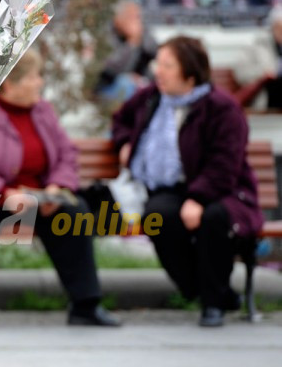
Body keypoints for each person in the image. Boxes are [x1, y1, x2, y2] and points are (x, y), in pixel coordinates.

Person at [0, 49, 121, 329]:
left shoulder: (43, 110)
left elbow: (66, 155)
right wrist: (5, 192)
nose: (40, 83)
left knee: (74, 211)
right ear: (9, 84)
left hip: (36, 200)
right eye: (34, 77)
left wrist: (57, 188)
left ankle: (86, 305)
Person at [112, 36, 263, 327]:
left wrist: (198, 198)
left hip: (225, 190)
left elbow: (225, 164)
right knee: (158, 215)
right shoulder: (151, 97)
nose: (158, 70)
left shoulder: (222, 108)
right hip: (168, 188)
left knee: (213, 217)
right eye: (159, 62)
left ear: (190, 74)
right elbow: (121, 120)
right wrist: (123, 143)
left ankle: (213, 304)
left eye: (167, 65)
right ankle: (206, 291)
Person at [96, 0, 157, 102]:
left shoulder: (142, 31)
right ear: (118, 18)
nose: (135, 21)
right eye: (130, 17)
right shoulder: (107, 35)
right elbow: (114, 68)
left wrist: (140, 38)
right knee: (126, 83)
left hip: (140, 81)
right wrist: (132, 43)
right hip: (109, 85)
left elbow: (155, 51)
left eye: (137, 17)